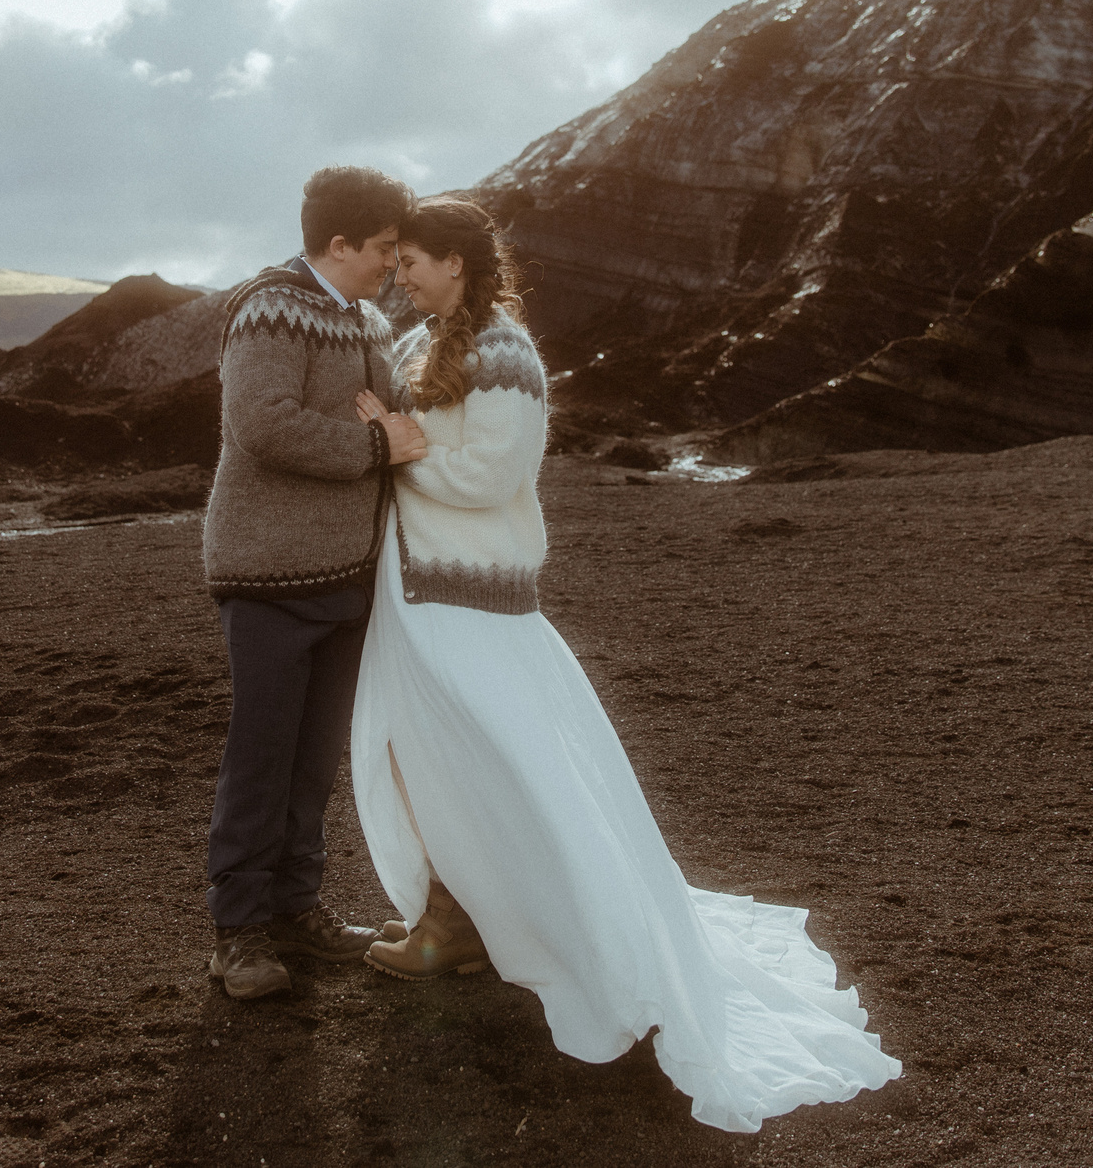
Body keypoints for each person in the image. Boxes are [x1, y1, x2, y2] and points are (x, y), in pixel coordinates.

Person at [347, 197, 903, 1133]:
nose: (401, 276)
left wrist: (402, 448)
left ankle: (578, 934)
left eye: (411, 261)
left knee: (517, 764)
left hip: (474, 595)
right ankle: (455, 920)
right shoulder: (423, 343)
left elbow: (493, 474)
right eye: (395, 263)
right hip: (418, 592)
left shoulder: (505, 352)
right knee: (430, 758)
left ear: (455, 262)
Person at [200, 164, 428, 1001]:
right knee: (261, 755)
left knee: (311, 759)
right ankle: (239, 932)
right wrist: (373, 445)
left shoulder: (364, 318)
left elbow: (400, 414)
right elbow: (262, 424)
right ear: (339, 243)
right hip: (266, 574)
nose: (391, 266)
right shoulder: (270, 306)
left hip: (345, 579)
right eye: (383, 249)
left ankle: (297, 907)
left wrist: (399, 429)